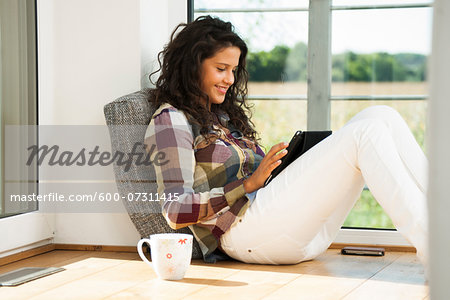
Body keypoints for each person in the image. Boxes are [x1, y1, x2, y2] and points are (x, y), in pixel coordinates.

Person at [144, 16, 428, 267]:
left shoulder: (221, 116)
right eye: (221, 68)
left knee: (381, 115)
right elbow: (175, 210)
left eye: (234, 70)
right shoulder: (171, 121)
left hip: (290, 230)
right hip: (243, 235)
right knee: (364, 135)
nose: (230, 79)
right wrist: (247, 184)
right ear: (193, 65)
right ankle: (436, 252)